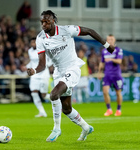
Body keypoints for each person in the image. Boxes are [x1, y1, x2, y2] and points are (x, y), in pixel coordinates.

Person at [27, 10, 114, 142]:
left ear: (53, 21)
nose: (43, 24)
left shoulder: (67, 30)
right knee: (66, 109)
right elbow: (42, 65)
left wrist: (107, 45)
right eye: (42, 22)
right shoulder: (40, 38)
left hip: (72, 68)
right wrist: (34, 70)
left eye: (46, 21)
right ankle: (86, 127)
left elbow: (90, 31)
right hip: (58, 72)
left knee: (54, 94)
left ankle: (56, 129)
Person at [98, 34, 123, 117]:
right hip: (107, 75)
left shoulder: (118, 50)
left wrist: (111, 59)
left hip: (116, 75)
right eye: (108, 40)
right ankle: (109, 109)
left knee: (118, 93)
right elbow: (102, 62)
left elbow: (119, 61)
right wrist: (99, 72)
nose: (110, 41)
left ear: (114, 40)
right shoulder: (104, 51)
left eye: (111, 39)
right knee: (105, 91)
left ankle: (118, 109)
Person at [27, 37, 51, 117]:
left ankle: (58, 101)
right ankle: (42, 112)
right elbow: (32, 61)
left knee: (44, 95)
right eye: (32, 42)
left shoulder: (43, 50)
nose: (33, 44)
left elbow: (50, 60)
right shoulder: (30, 51)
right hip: (34, 75)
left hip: (44, 74)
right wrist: (27, 66)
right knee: (34, 93)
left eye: (34, 42)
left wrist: (47, 65)